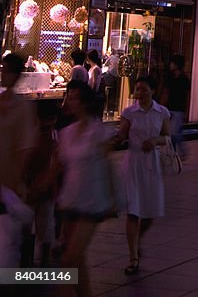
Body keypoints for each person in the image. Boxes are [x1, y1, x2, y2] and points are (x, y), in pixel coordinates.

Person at [55, 80, 115, 297]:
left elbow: (108, 164)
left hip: (92, 202)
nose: (71, 102)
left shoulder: (97, 131)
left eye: (75, 98)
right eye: (69, 97)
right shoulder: (67, 133)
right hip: (70, 199)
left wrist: (112, 196)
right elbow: (59, 166)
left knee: (68, 260)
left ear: (86, 102)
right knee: (76, 260)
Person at [115, 75, 171, 276]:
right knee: (133, 210)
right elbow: (122, 133)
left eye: (144, 89)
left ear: (152, 91)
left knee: (150, 211)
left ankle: (138, 239)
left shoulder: (162, 112)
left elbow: (167, 137)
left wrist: (155, 140)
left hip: (152, 163)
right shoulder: (129, 112)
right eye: (137, 89)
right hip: (133, 162)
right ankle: (133, 257)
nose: (139, 93)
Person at [0, 52, 38, 267]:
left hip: (10, 186)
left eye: (6, 71)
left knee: (7, 254)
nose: (3, 75)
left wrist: (16, 182)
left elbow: (26, 149)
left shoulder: (22, 108)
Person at [25, 99, 60, 268]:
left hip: (40, 188)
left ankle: (33, 263)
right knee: (41, 227)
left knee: (41, 226)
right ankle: (38, 263)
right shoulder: (49, 136)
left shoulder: (49, 136)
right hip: (36, 187)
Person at [161, 54, 191, 161]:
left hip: (178, 109)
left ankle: (177, 152)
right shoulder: (170, 77)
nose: (170, 65)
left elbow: (187, 95)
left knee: (174, 133)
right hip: (170, 108)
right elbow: (166, 93)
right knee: (174, 132)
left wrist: (186, 110)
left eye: (172, 63)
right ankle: (175, 152)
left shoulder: (183, 79)